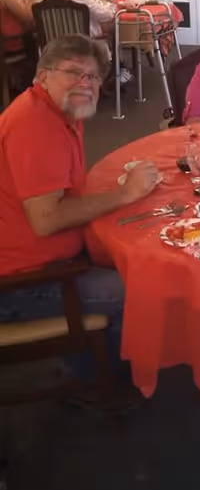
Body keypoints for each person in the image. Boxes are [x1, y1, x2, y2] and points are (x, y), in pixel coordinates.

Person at [0, 35, 160, 382]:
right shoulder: (35, 125)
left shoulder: (61, 111)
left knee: (139, 255)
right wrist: (125, 193)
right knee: (139, 290)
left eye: (93, 76)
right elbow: (46, 220)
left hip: (46, 257)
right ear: (42, 75)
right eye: (73, 73)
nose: (85, 84)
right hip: (22, 281)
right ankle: (93, 382)